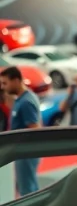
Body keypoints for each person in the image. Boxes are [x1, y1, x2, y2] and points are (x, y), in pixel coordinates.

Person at [0, 66, 41, 196]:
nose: (3, 87)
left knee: (27, 190)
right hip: (22, 153)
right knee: (27, 186)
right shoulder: (20, 99)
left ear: (16, 80)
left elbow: (35, 129)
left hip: (26, 153)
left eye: (5, 83)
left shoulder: (26, 102)